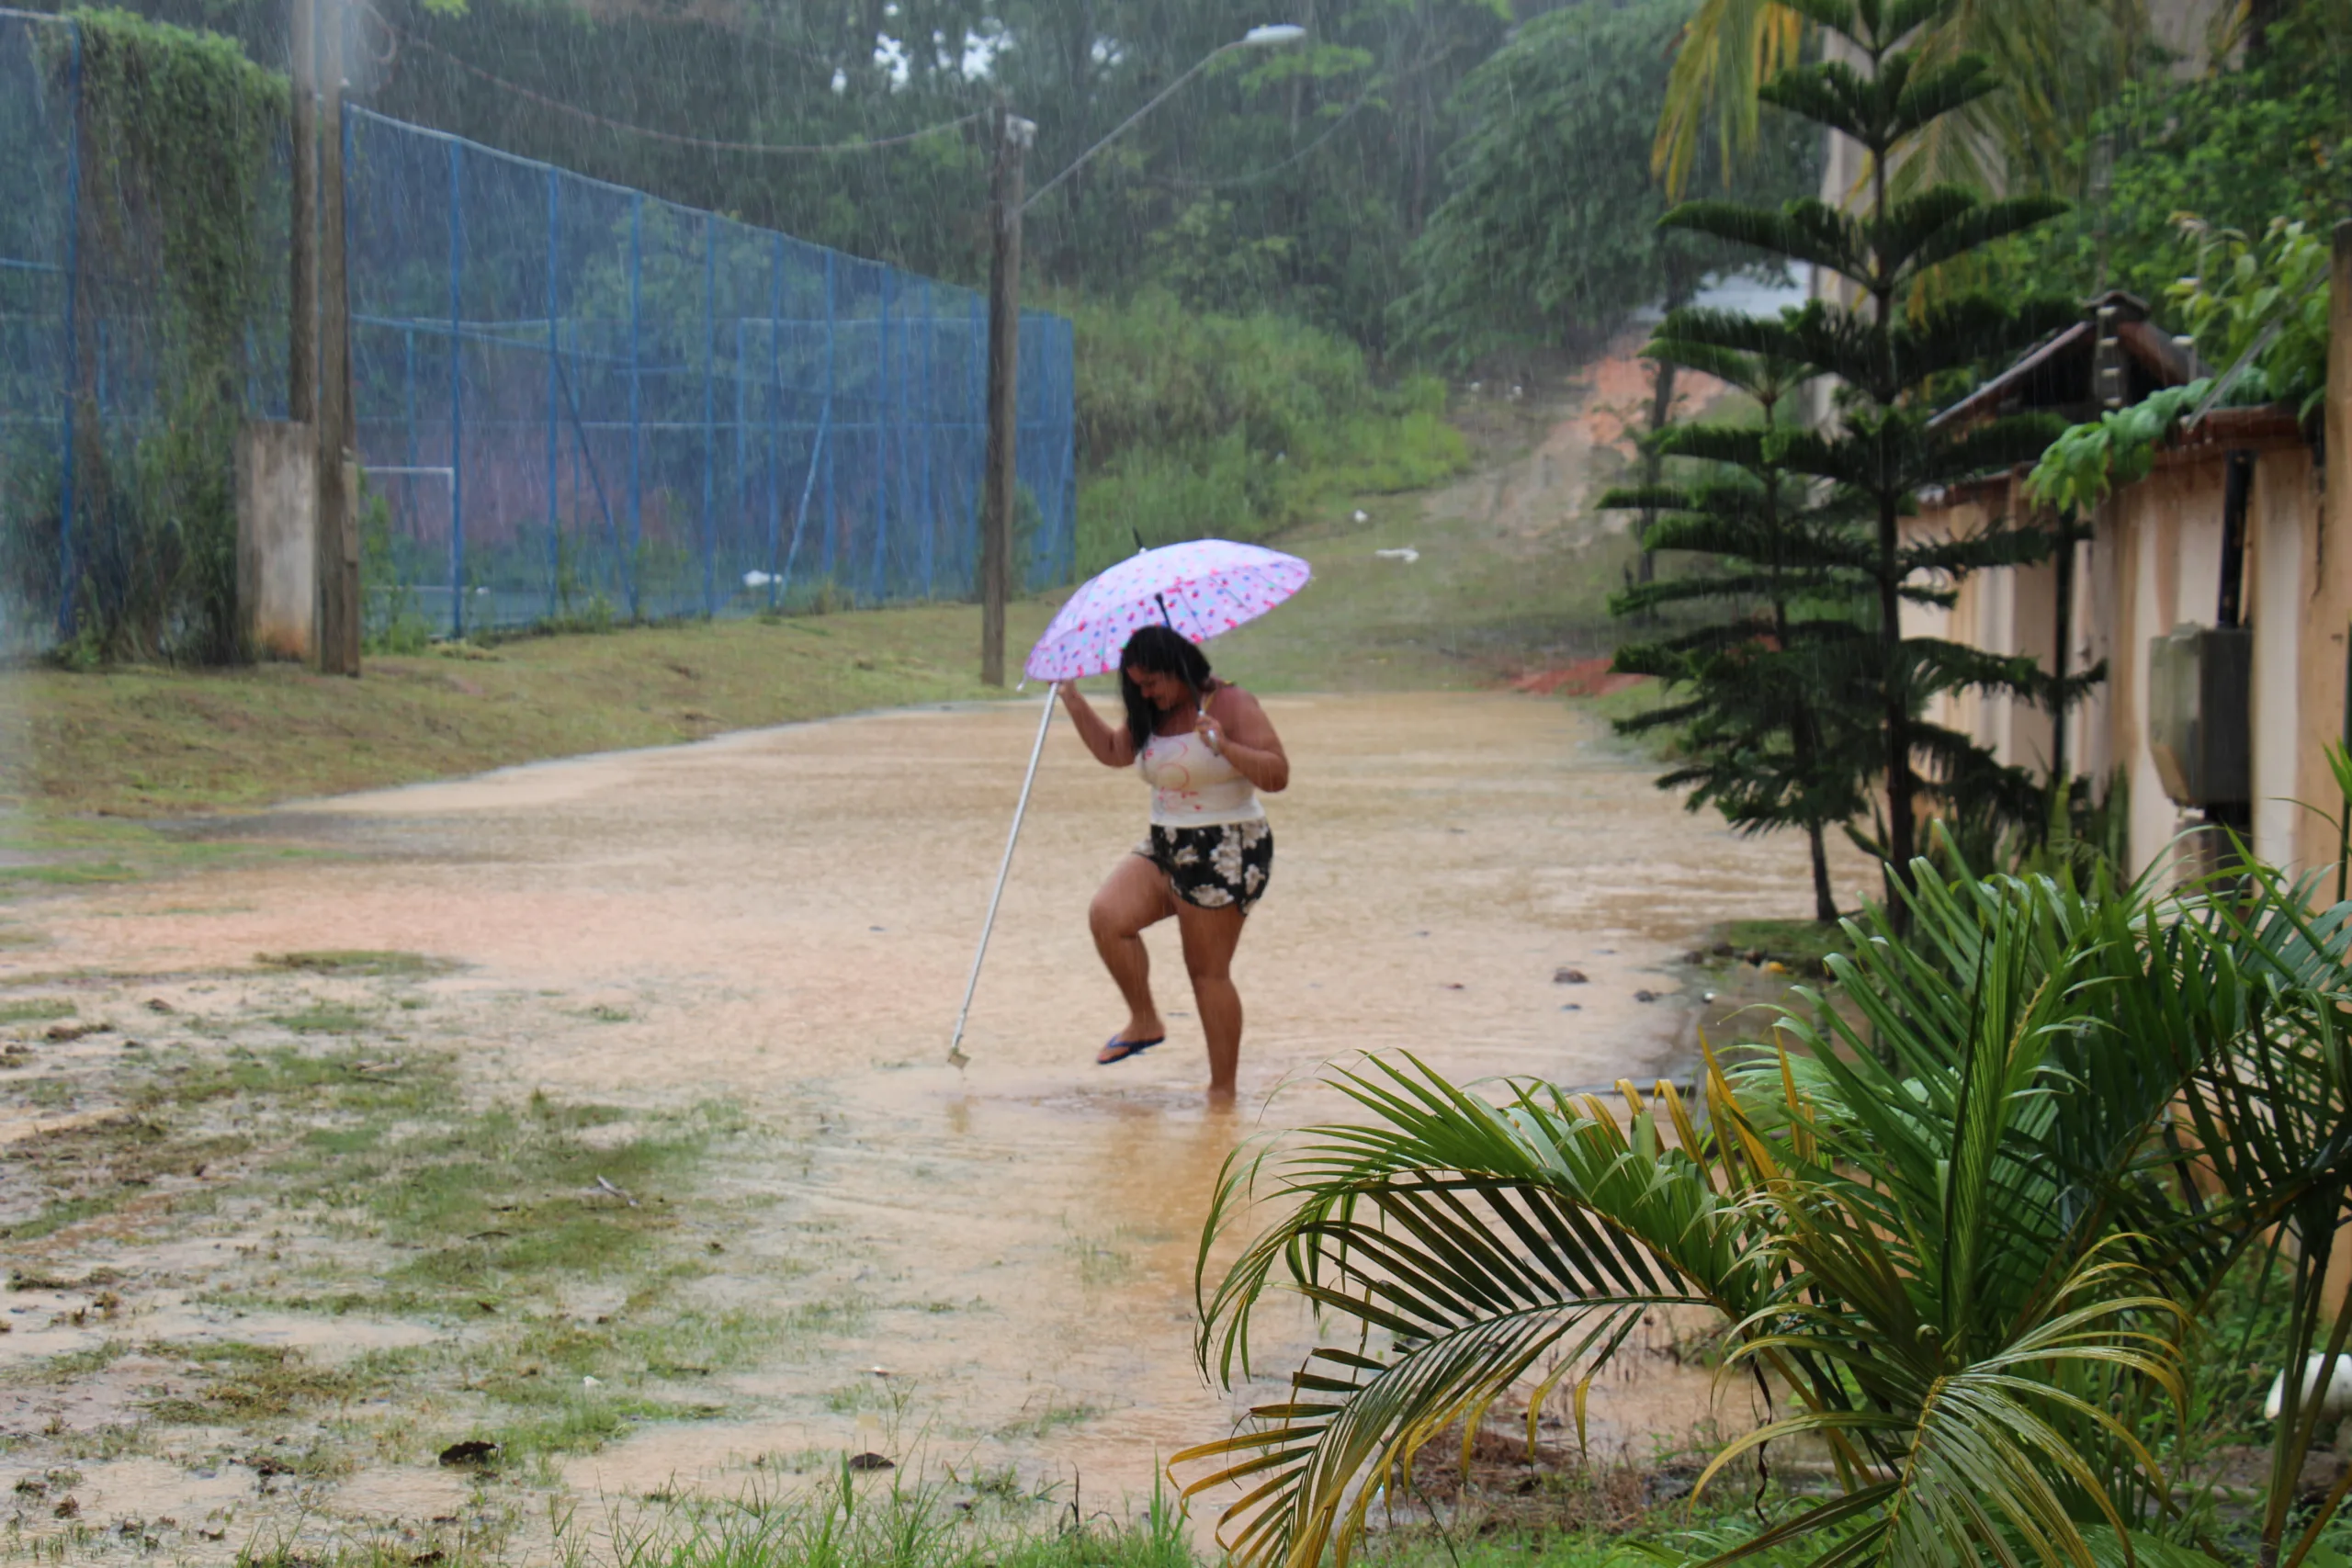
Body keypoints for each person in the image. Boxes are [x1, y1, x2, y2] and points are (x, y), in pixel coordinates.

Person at [1054, 626, 1289, 1100]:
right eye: (1137, 685)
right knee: (1109, 916)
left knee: (1206, 970)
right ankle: (1145, 1020)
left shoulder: (1230, 703)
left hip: (1228, 846)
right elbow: (1116, 753)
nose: (1147, 693)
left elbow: (1277, 775)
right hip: (1166, 842)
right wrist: (1073, 700)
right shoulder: (1151, 711)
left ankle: (1222, 1094)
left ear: (1180, 668)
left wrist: (1225, 745)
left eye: (1154, 682)